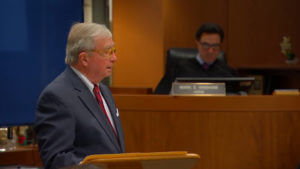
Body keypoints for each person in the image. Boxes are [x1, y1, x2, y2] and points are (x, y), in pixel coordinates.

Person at [34, 22, 124, 169]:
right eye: (108, 51)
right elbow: (57, 159)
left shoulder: (104, 91)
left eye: (114, 50)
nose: (114, 58)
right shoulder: (56, 97)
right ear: (84, 59)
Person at [154, 22, 237, 94]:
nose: (210, 51)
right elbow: (159, 97)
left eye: (215, 46)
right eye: (206, 45)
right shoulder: (178, 69)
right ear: (197, 43)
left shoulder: (228, 73)